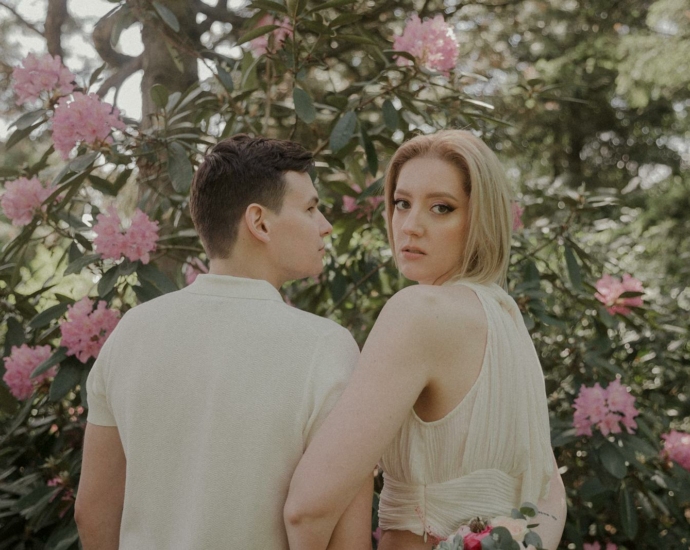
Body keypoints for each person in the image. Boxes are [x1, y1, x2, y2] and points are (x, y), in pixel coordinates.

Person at [74, 135, 373, 550]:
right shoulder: (327, 347)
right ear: (260, 222)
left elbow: (92, 513)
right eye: (309, 208)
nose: (324, 224)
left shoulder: (131, 332)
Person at [284, 130, 567, 549]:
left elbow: (307, 509)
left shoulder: (420, 312)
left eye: (441, 208)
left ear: (480, 218)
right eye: (402, 203)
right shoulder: (507, 318)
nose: (410, 226)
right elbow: (549, 493)